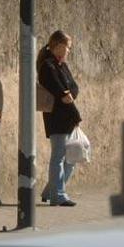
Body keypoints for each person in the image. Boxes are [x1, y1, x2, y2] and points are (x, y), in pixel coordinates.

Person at [37, 30, 80, 207]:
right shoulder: (47, 65)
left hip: (68, 116)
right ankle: (58, 195)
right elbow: (58, 89)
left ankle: (51, 190)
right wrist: (65, 93)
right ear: (59, 46)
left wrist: (69, 93)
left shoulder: (62, 65)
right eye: (67, 47)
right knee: (59, 156)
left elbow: (74, 88)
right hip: (57, 117)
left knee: (72, 155)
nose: (69, 50)